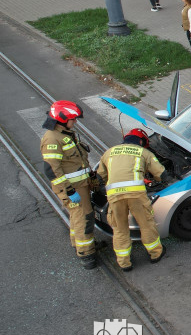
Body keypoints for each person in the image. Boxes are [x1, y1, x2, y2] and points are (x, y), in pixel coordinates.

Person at [95, 129, 170, 272]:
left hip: (115, 197)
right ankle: (155, 253)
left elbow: (100, 178)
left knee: (120, 229)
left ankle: (124, 263)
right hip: (136, 195)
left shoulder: (109, 152)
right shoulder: (144, 153)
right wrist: (156, 180)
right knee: (146, 224)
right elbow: (162, 174)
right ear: (141, 141)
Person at [40, 101, 101, 270]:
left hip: (79, 185)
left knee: (77, 217)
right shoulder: (52, 138)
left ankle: (78, 244)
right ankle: (87, 254)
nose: (75, 122)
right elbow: (52, 170)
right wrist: (69, 190)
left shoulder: (64, 133)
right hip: (73, 188)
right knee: (84, 218)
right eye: (73, 119)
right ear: (61, 119)